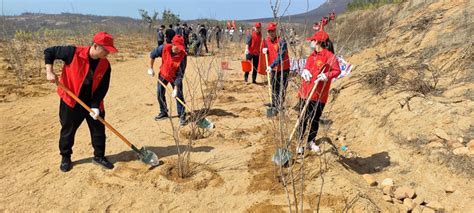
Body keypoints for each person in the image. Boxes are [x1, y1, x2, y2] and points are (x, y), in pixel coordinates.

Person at [44, 32, 118, 172]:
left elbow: (103, 87)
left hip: (92, 102)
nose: (108, 53)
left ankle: (99, 156)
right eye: (106, 49)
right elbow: (49, 52)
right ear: (95, 46)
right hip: (71, 100)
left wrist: (96, 106)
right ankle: (65, 157)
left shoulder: (105, 65)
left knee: (98, 131)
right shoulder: (73, 53)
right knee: (68, 131)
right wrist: (49, 71)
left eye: (109, 50)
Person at [296, 31, 340, 154]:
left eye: (313, 40)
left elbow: (337, 71)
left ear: (318, 42)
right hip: (306, 92)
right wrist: (304, 71)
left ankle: (311, 141)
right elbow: (307, 67)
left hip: (320, 95)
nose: (311, 42)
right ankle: (299, 142)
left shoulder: (329, 56)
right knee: (303, 118)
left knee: (315, 119)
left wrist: (327, 75)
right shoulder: (312, 56)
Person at [147, 35, 188, 126]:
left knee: (179, 95)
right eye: (177, 47)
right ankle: (164, 112)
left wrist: (176, 88)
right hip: (163, 74)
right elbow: (152, 55)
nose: (179, 50)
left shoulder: (183, 56)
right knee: (159, 93)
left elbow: (180, 74)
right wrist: (150, 68)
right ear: (173, 44)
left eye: (181, 48)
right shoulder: (163, 48)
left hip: (175, 77)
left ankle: (182, 114)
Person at [262, 22, 290, 114]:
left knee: (281, 88)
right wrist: (265, 50)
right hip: (274, 69)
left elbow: (280, 56)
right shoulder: (267, 41)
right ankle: (274, 105)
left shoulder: (282, 41)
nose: (271, 33)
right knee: (273, 87)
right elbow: (268, 50)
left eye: (273, 31)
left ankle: (279, 106)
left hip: (283, 69)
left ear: (275, 31)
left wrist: (271, 65)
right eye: (269, 31)